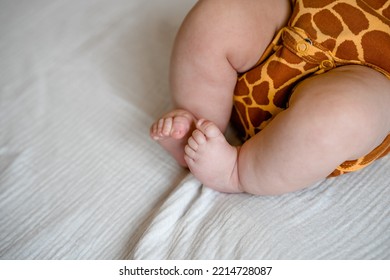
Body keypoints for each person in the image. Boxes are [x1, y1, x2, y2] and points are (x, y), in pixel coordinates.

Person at [150, 0, 390, 195]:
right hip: (299, 16)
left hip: (375, 73)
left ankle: (237, 172)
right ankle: (197, 120)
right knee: (218, 17)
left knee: (341, 113)